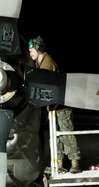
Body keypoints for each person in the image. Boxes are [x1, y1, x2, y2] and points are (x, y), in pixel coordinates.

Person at [28, 36, 81, 173]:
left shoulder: (47, 64)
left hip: (61, 107)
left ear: (38, 49)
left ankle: (75, 163)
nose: (30, 53)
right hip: (53, 108)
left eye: (32, 50)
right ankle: (58, 165)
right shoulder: (40, 64)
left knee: (66, 134)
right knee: (55, 136)